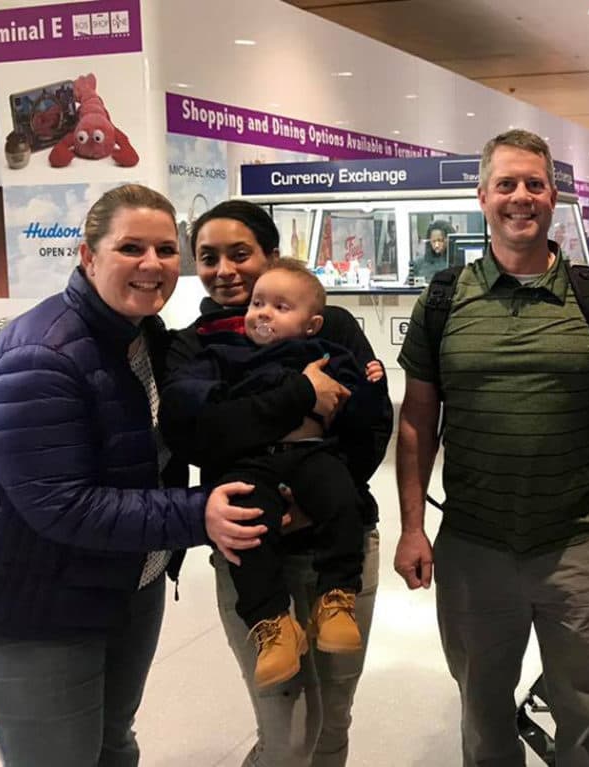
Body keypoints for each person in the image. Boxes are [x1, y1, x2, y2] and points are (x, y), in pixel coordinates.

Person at [0, 184, 265, 767]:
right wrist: (200, 514)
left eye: (167, 250)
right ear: (87, 255)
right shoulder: (40, 355)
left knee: (113, 745)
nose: (152, 264)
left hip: (125, 584)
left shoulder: (142, 337)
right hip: (34, 606)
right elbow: (62, 505)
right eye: (131, 247)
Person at [394, 129, 589, 767]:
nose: (521, 197)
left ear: (554, 196)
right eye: (506, 184)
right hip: (473, 546)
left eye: (534, 184)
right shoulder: (445, 299)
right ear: (482, 196)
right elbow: (417, 421)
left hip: (577, 543)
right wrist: (411, 528)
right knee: (483, 717)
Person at [163, 199, 391, 767]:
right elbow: (200, 436)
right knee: (289, 734)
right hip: (251, 545)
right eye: (208, 257)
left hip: (340, 541)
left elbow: (369, 422)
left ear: (269, 255)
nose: (224, 270)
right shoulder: (193, 345)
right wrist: (299, 396)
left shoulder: (328, 325)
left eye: (240, 254)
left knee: (333, 720)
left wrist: (319, 494)